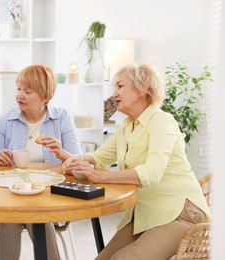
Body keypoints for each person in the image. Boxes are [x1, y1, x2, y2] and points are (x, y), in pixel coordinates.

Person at [62, 63, 212, 260]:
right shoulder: (126, 127)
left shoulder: (162, 121)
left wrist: (98, 175)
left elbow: (152, 172)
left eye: (120, 86)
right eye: (113, 87)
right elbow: (98, 158)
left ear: (143, 89)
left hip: (180, 213)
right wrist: (73, 161)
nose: (113, 93)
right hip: (146, 212)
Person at [0, 64, 82, 260]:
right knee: (8, 219)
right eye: (18, 89)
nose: (19, 95)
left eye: (28, 91)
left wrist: (61, 152)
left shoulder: (62, 118)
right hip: (12, 194)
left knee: (38, 214)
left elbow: (77, 163)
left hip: (50, 196)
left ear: (45, 97)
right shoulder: (5, 120)